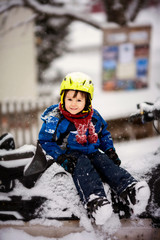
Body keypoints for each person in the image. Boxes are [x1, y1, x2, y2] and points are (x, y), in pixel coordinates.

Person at [38, 72, 151, 225]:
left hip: (92, 151)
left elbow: (103, 134)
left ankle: (129, 189)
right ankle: (95, 201)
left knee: (105, 163)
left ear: (88, 100)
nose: (73, 103)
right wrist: (61, 157)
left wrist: (109, 150)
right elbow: (45, 141)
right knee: (84, 168)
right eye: (69, 98)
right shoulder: (55, 118)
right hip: (71, 155)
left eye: (79, 100)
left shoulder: (93, 116)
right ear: (62, 98)